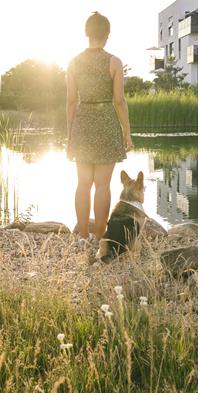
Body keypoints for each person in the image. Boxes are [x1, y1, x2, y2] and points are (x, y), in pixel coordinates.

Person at [66, 12, 134, 242]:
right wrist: (127, 132)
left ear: (87, 33)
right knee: (103, 184)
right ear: (107, 35)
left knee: (83, 184)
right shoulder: (114, 62)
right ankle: (99, 236)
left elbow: (71, 101)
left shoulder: (73, 63)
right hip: (106, 121)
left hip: (82, 123)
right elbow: (119, 100)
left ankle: (83, 235)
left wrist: (69, 136)